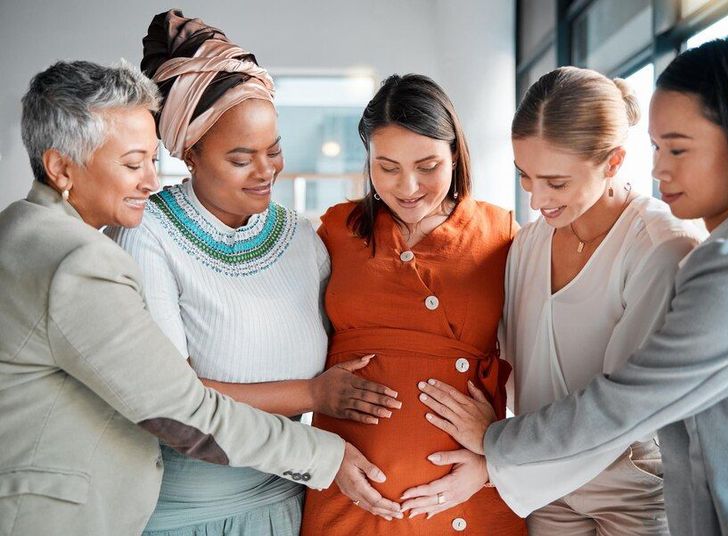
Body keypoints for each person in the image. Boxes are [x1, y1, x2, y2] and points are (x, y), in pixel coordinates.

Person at [418, 33, 728, 535]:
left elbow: (627, 402)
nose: (657, 167)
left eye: (676, 148)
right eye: (655, 146)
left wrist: (497, 447)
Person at [0, 60, 390, 536]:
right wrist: (323, 452)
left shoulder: (22, 232)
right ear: (61, 167)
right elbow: (183, 409)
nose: (149, 180)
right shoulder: (78, 262)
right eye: (131, 163)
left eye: (149, 160)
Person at [105, 10, 402, 535]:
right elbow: (173, 399)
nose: (266, 171)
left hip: (289, 501)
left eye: (275, 149)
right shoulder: (147, 233)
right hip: (188, 513)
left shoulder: (302, 240)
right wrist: (313, 395)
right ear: (191, 154)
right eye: (241, 158)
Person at [416, 66, 703, 534]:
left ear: (612, 162)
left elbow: (621, 408)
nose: (536, 200)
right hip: (539, 481)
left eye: (557, 182)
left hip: (627, 484)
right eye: (525, 176)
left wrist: (496, 455)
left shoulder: (659, 247)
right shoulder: (529, 243)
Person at [300, 74, 526, 535]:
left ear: (455, 154)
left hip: (468, 499)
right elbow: (292, 344)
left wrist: (492, 459)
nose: (408, 187)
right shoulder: (335, 231)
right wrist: (321, 454)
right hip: (347, 492)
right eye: (387, 167)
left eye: (427, 165)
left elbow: (541, 363)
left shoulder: (501, 234)